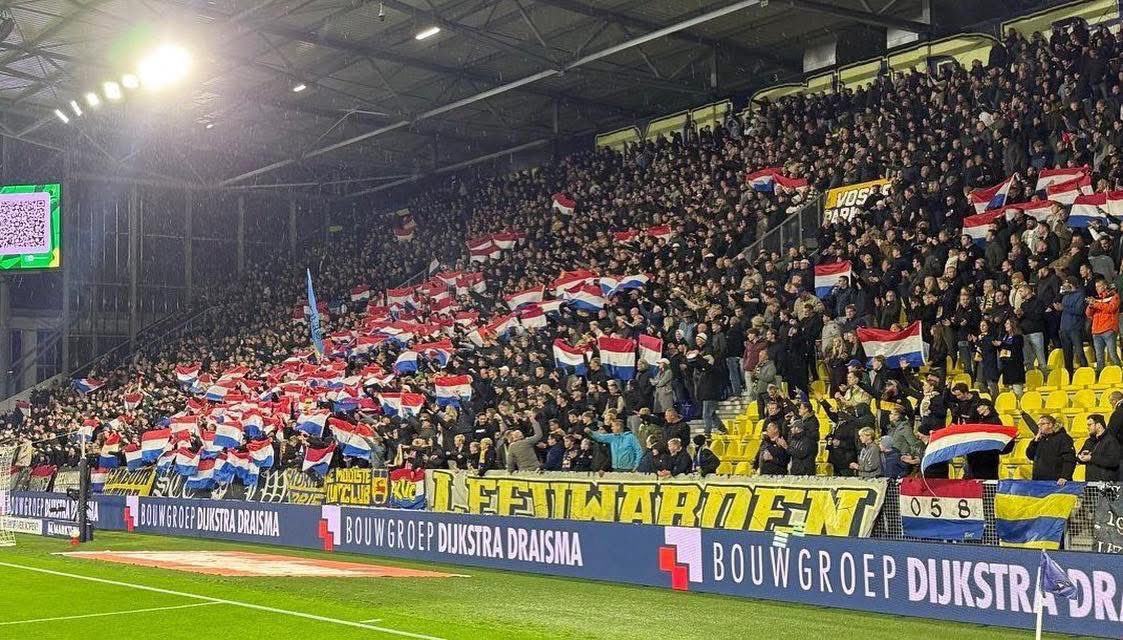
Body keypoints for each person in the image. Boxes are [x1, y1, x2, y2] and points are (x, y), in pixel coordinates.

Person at [1025, 414, 1076, 483]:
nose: (1039, 427)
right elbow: (1030, 456)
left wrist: (1065, 477)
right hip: (1038, 480)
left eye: (1042, 424)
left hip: (1057, 481)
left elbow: (1069, 459)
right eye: (1038, 425)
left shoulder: (1063, 438)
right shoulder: (1040, 439)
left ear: (1050, 425)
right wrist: (1034, 442)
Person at [1087, 280, 1121, 370]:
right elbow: (1088, 314)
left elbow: (1111, 308)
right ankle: (1100, 375)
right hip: (1096, 331)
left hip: (1109, 329)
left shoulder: (1114, 296)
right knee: (1099, 358)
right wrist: (1090, 306)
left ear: (1105, 286)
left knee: (1112, 355)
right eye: (1096, 287)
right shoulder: (1096, 298)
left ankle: (1120, 373)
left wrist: (1096, 304)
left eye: (1099, 286)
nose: (1097, 289)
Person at [1077, 414, 1120, 481]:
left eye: (1089, 425)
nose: (1087, 427)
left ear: (1098, 425)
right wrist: (1081, 457)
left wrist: (1091, 458)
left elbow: (1113, 462)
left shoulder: (1111, 440)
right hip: (1090, 482)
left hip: (1105, 483)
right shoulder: (1088, 441)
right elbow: (1079, 458)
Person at [786, 402, 819, 476]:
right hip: (798, 466)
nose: (799, 410)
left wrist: (801, 433)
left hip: (805, 466)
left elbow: (815, 436)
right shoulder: (803, 420)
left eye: (801, 408)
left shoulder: (812, 421)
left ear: (806, 409)